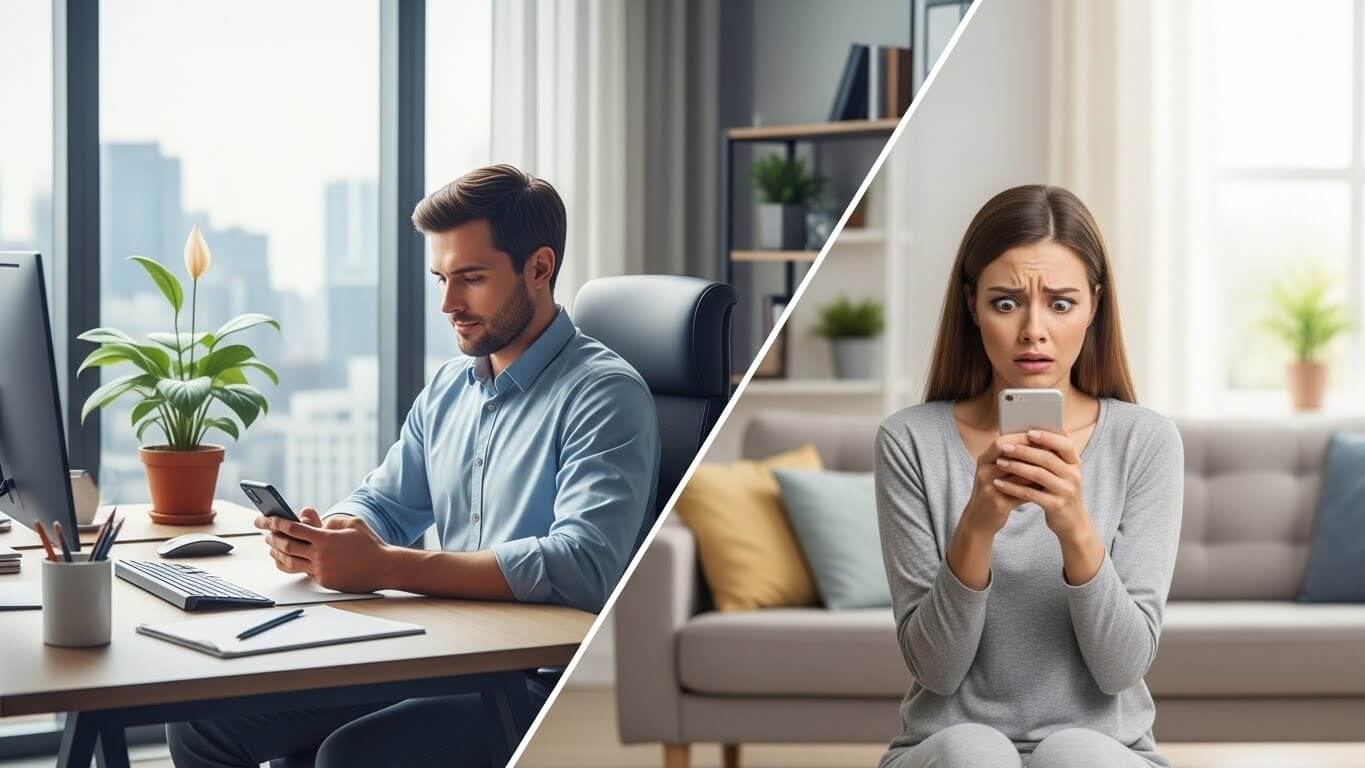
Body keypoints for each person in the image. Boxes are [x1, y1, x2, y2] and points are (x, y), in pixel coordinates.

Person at [167, 164, 661, 768]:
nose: (449, 303)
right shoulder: (451, 387)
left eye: (471, 279)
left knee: (351, 756)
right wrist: (332, 536)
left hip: (543, 685)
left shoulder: (605, 394)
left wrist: (387, 565)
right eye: (441, 279)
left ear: (539, 267)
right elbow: (385, 502)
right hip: (444, 653)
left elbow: (583, 565)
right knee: (202, 723)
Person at [874, 185, 1183, 768]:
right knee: (975, 754)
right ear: (972, 304)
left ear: (1095, 305)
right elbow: (935, 671)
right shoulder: (910, 441)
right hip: (946, 746)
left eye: (1061, 304)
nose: (1033, 331)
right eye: (1007, 302)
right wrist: (977, 525)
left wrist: (1074, 527)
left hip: (1108, 748)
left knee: (1077, 756)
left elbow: (1122, 668)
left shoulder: (1145, 442)